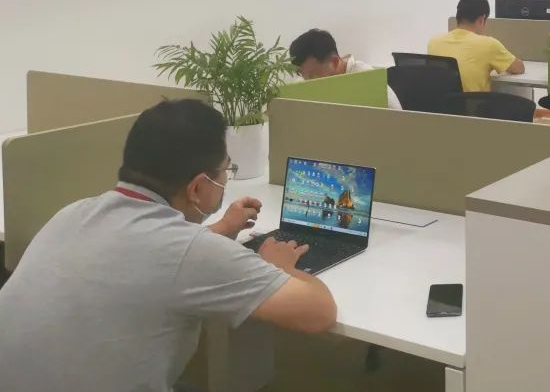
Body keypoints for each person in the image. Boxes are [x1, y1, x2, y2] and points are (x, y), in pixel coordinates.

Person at [0, 99, 336, 392]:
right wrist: (279, 267)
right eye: (225, 170)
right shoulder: (191, 252)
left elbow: (152, 259)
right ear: (197, 187)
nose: (225, 179)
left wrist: (221, 229)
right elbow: (318, 314)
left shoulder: (73, 213)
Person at [428, 0, 525, 92]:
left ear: (458, 17)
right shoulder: (488, 44)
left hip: (440, 102)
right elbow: (519, 68)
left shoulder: (434, 42)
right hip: (473, 102)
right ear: (481, 20)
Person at [289, 28, 403, 110]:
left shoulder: (367, 79)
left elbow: (397, 123)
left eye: (313, 75)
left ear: (334, 62)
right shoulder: (305, 81)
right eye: (302, 74)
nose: (307, 82)